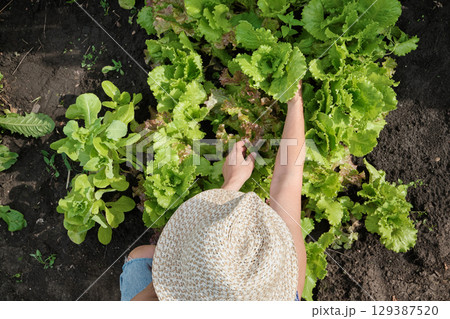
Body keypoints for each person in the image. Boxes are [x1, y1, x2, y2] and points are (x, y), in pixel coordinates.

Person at [119, 81, 306, 301]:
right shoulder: (288, 297)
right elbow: (288, 178)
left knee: (140, 257)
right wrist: (295, 102)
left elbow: (151, 296)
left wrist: (230, 185)